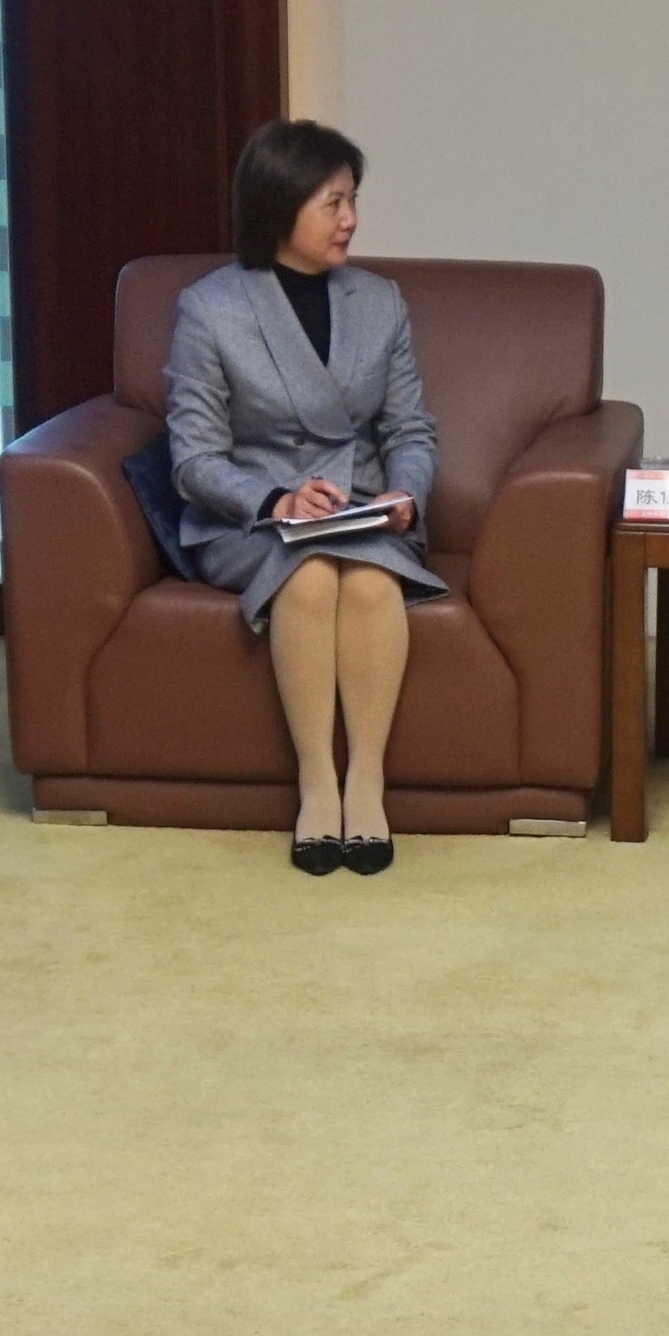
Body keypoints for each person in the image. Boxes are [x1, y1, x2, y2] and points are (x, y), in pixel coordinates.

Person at [157, 118, 441, 876]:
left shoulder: (379, 300)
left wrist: (405, 490)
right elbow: (193, 458)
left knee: (372, 582)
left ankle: (366, 784)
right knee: (310, 576)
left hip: (362, 508)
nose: (351, 219)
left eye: (353, 200)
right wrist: (278, 499)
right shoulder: (211, 307)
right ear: (280, 206)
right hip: (251, 517)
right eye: (332, 203)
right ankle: (318, 785)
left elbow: (410, 428)